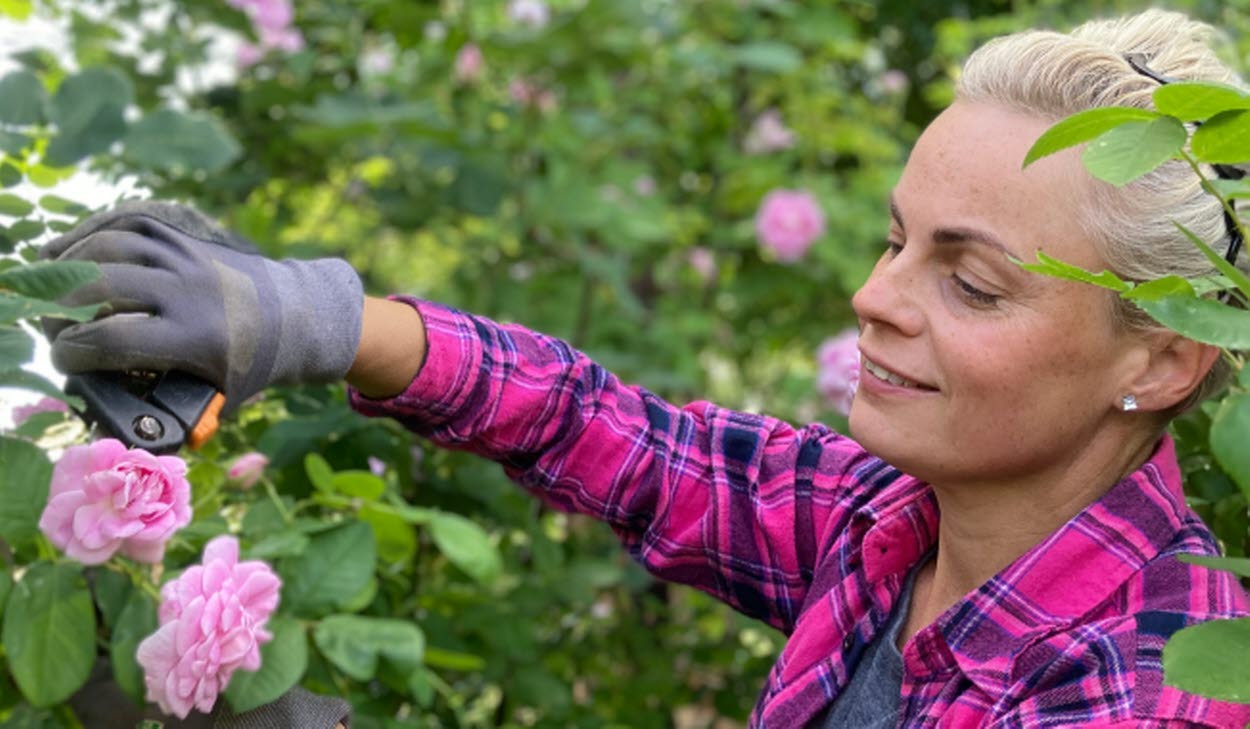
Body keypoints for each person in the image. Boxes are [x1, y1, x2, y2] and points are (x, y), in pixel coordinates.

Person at [39, 8, 1250, 728]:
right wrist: (314, 319)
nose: (872, 298)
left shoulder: (1144, 690)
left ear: (1157, 357)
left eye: (968, 283)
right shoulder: (891, 529)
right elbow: (613, 436)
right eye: (893, 240)